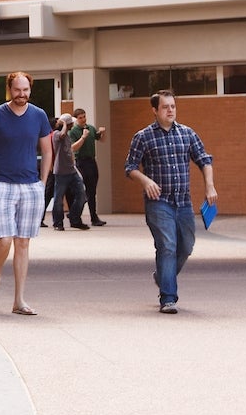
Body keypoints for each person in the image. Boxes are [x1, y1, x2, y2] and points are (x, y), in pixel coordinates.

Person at [125, 90, 218, 314]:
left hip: (183, 202)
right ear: (155, 110)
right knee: (167, 246)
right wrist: (145, 180)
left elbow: (204, 160)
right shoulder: (143, 137)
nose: (170, 110)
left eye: (173, 106)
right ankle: (168, 298)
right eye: (165, 107)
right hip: (159, 203)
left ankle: (162, 276)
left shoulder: (187, 134)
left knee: (186, 246)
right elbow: (130, 168)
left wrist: (210, 185)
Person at [0, 71, 54, 316]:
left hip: (31, 186)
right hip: (3, 184)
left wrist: (42, 182)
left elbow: (47, 151)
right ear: (10, 89)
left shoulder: (39, 115)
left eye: (26, 90)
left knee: (23, 242)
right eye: (18, 90)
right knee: (5, 239)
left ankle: (19, 300)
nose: (22, 95)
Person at [49, 114, 90, 231]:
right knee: (58, 198)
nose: (73, 124)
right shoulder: (57, 135)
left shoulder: (67, 136)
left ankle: (74, 218)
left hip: (72, 170)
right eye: (70, 123)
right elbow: (61, 134)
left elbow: (70, 150)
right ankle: (58, 222)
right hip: (61, 172)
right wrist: (64, 124)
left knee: (82, 195)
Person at [70, 108, 107, 226]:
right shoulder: (73, 131)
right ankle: (75, 214)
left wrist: (102, 133)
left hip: (91, 161)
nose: (83, 119)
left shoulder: (90, 128)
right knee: (81, 191)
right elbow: (73, 148)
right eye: (80, 118)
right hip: (81, 161)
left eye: (84, 117)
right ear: (76, 119)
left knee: (92, 190)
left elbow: (101, 140)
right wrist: (83, 137)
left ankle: (93, 217)